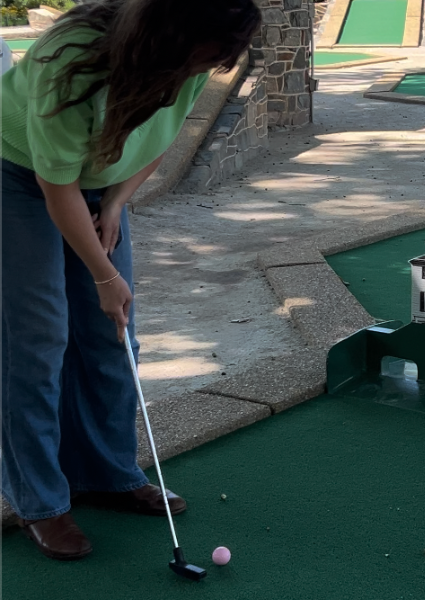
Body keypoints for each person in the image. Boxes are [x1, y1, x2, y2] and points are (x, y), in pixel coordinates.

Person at [1, 0, 261, 560]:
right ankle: (39, 502)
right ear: (162, 40)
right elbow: (56, 187)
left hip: (96, 183)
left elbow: (159, 137)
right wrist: (103, 273)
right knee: (36, 340)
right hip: (18, 176)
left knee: (112, 336)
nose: (202, 71)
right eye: (198, 59)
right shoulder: (68, 61)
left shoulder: (192, 60)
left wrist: (118, 200)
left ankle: (106, 473)